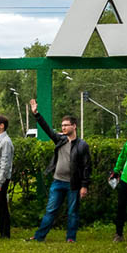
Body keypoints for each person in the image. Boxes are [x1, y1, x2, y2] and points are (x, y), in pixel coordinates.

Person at [27, 99, 91, 243]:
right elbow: (47, 129)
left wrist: (84, 186)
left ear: (74, 126)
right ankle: (39, 237)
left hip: (73, 184)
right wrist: (36, 114)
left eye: (66, 125)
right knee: (50, 211)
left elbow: (87, 167)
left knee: (72, 212)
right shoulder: (60, 140)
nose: (63, 128)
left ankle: (70, 238)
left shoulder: (82, 145)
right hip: (58, 182)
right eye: (62, 126)